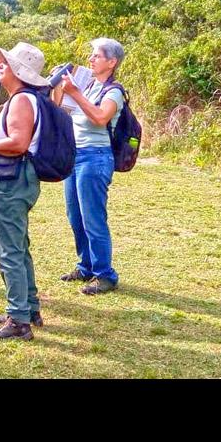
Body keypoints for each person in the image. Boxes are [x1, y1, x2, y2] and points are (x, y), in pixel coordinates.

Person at [0, 42, 49, 340]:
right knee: (19, 246)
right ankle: (28, 307)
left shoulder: (21, 101)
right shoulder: (26, 98)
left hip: (11, 181)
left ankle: (18, 319)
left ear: (19, 71)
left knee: (9, 250)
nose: (0, 67)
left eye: (6, 63)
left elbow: (18, 143)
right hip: (18, 178)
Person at [57, 38, 125, 294]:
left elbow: (99, 117)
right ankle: (85, 266)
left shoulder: (114, 91)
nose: (91, 59)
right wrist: (60, 85)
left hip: (95, 157)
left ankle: (105, 274)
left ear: (112, 62)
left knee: (93, 218)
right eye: (92, 55)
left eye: (97, 56)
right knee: (75, 216)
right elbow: (62, 109)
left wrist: (75, 93)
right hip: (75, 156)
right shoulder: (87, 85)